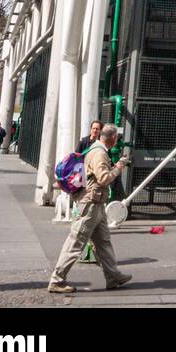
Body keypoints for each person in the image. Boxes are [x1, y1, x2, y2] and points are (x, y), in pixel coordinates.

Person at [48, 124, 132, 295]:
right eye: (117, 137)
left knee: (103, 242)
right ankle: (57, 280)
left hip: (96, 203)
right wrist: (119, 167)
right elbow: (104, 179)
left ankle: (113, 276)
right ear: (113, 138)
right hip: (90, 204)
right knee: (76, 241)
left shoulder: (95, 149)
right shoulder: (100, 153)